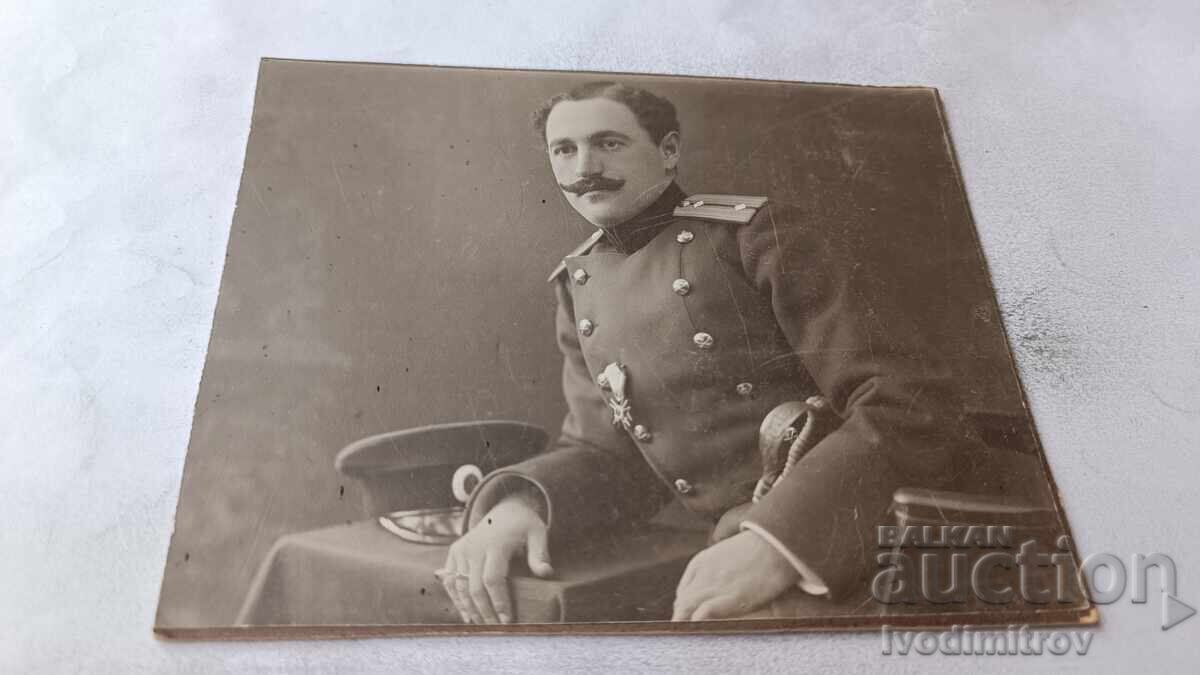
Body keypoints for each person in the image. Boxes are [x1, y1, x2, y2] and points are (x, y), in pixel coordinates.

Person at [436, 81, 986, 624]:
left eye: (609, 143)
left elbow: (908, 401)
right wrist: (520, 506)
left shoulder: (756, 238)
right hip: (727, 547)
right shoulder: (577, 281)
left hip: (865, 537)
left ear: (669, 150)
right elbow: (606, 453)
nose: (585, 167)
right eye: (565, 150)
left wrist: (779, 541)